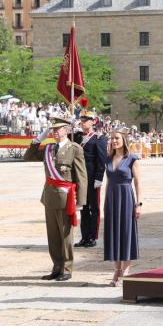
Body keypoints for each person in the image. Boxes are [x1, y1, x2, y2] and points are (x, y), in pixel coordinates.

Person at [23, 115, 87, 281]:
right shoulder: (49, 148)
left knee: (65, 234)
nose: (54, 133)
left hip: (66, 197)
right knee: (52, 235)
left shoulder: (74, 149)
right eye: (52, 130)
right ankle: (57, 266)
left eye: (57, 129)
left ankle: (67, 268)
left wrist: (81, 201)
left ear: (66, 130)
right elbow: (28, 156)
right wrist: (39, 138)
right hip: (50, 196)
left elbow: (81, 176)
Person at [103, 128, 141, 286]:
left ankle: (126, 270)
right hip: (112, 198)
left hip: (126, 198)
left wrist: (139, 204)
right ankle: (116, 270)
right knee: (114, 234)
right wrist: (105, 202)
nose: (113, 141)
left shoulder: (132, 159)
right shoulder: (108, 159)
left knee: (126, 233)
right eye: (112, 138)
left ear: (124, 140)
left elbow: (138, 182)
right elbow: (107, 182)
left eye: (116, 138)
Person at [73, 110, 108, 248]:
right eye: (82, 120)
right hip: (80, 178)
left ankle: (92, 236)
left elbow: (101, 159)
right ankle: (84, 236)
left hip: (92, 177)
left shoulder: (99, 138)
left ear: (93, 121)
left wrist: (99, 177)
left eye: (86, 120)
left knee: (94, 208)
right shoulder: (77, 136)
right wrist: (69, 125)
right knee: (83, 207)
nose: (83, 122)